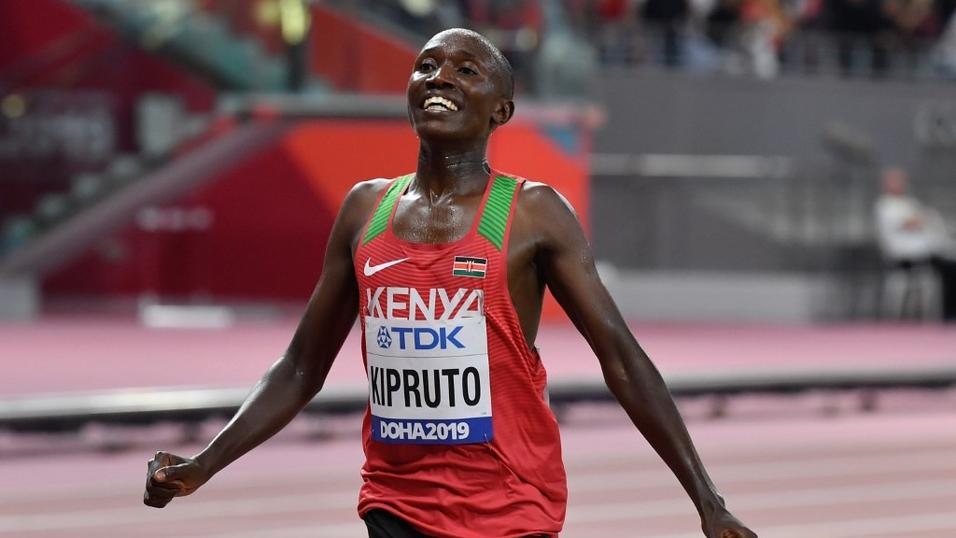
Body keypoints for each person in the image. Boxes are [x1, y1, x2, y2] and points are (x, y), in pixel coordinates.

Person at [143, 28, 757, 538]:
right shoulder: (365, 210)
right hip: (395, 503)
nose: (439, 78)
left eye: (466, 71)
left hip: (510, 508)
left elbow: (621, 358)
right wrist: (205, 463)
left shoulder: (533, 213)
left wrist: (708, 501)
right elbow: (302, 366)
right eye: (426, 67)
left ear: (500, 111)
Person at [875, 167, 956, 320]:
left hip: (926, 252)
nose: (899, 185)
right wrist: (920, 220)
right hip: (905, 256)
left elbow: (927, 219)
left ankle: (948, 312)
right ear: (886, 184)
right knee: (949, 269)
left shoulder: (909, 202)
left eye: (901, 181)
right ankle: (949, 314)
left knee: (950, 267)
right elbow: (912, 222)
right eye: (894, 182)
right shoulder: (884, 205)